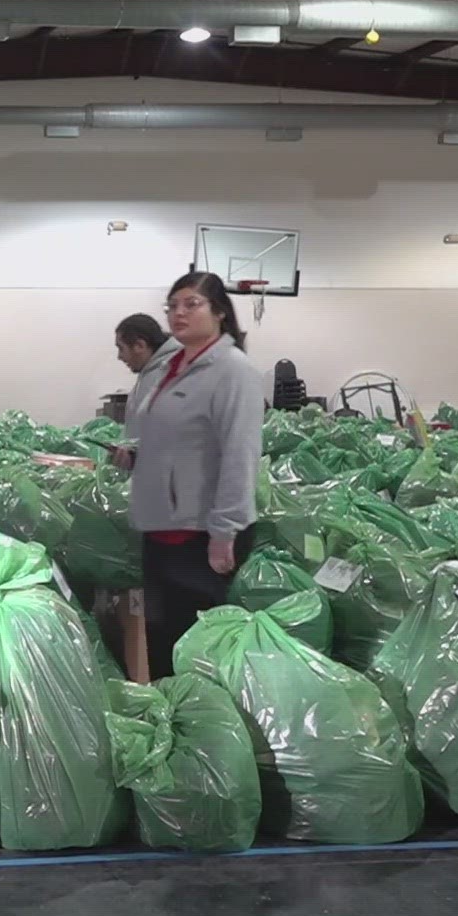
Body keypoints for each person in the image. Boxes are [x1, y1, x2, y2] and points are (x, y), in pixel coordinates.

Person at [130, 272, 266, 679]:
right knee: (163, 639)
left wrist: (225, 531)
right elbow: (174, 436)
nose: (178, 313)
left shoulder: (232, 370)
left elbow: (240, 451)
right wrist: (137, 455)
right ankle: (172, 715)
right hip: (162, 526)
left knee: (195, 647)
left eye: (192, 304)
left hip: (201, 534)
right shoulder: (172, 367)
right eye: (172, 306)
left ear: (220, 312)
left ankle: (202, 723)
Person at [112, 313, 181, 447]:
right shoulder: (151, 372)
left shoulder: (170, 374)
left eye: (121, 348)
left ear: (140, 345)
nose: (119, 356)